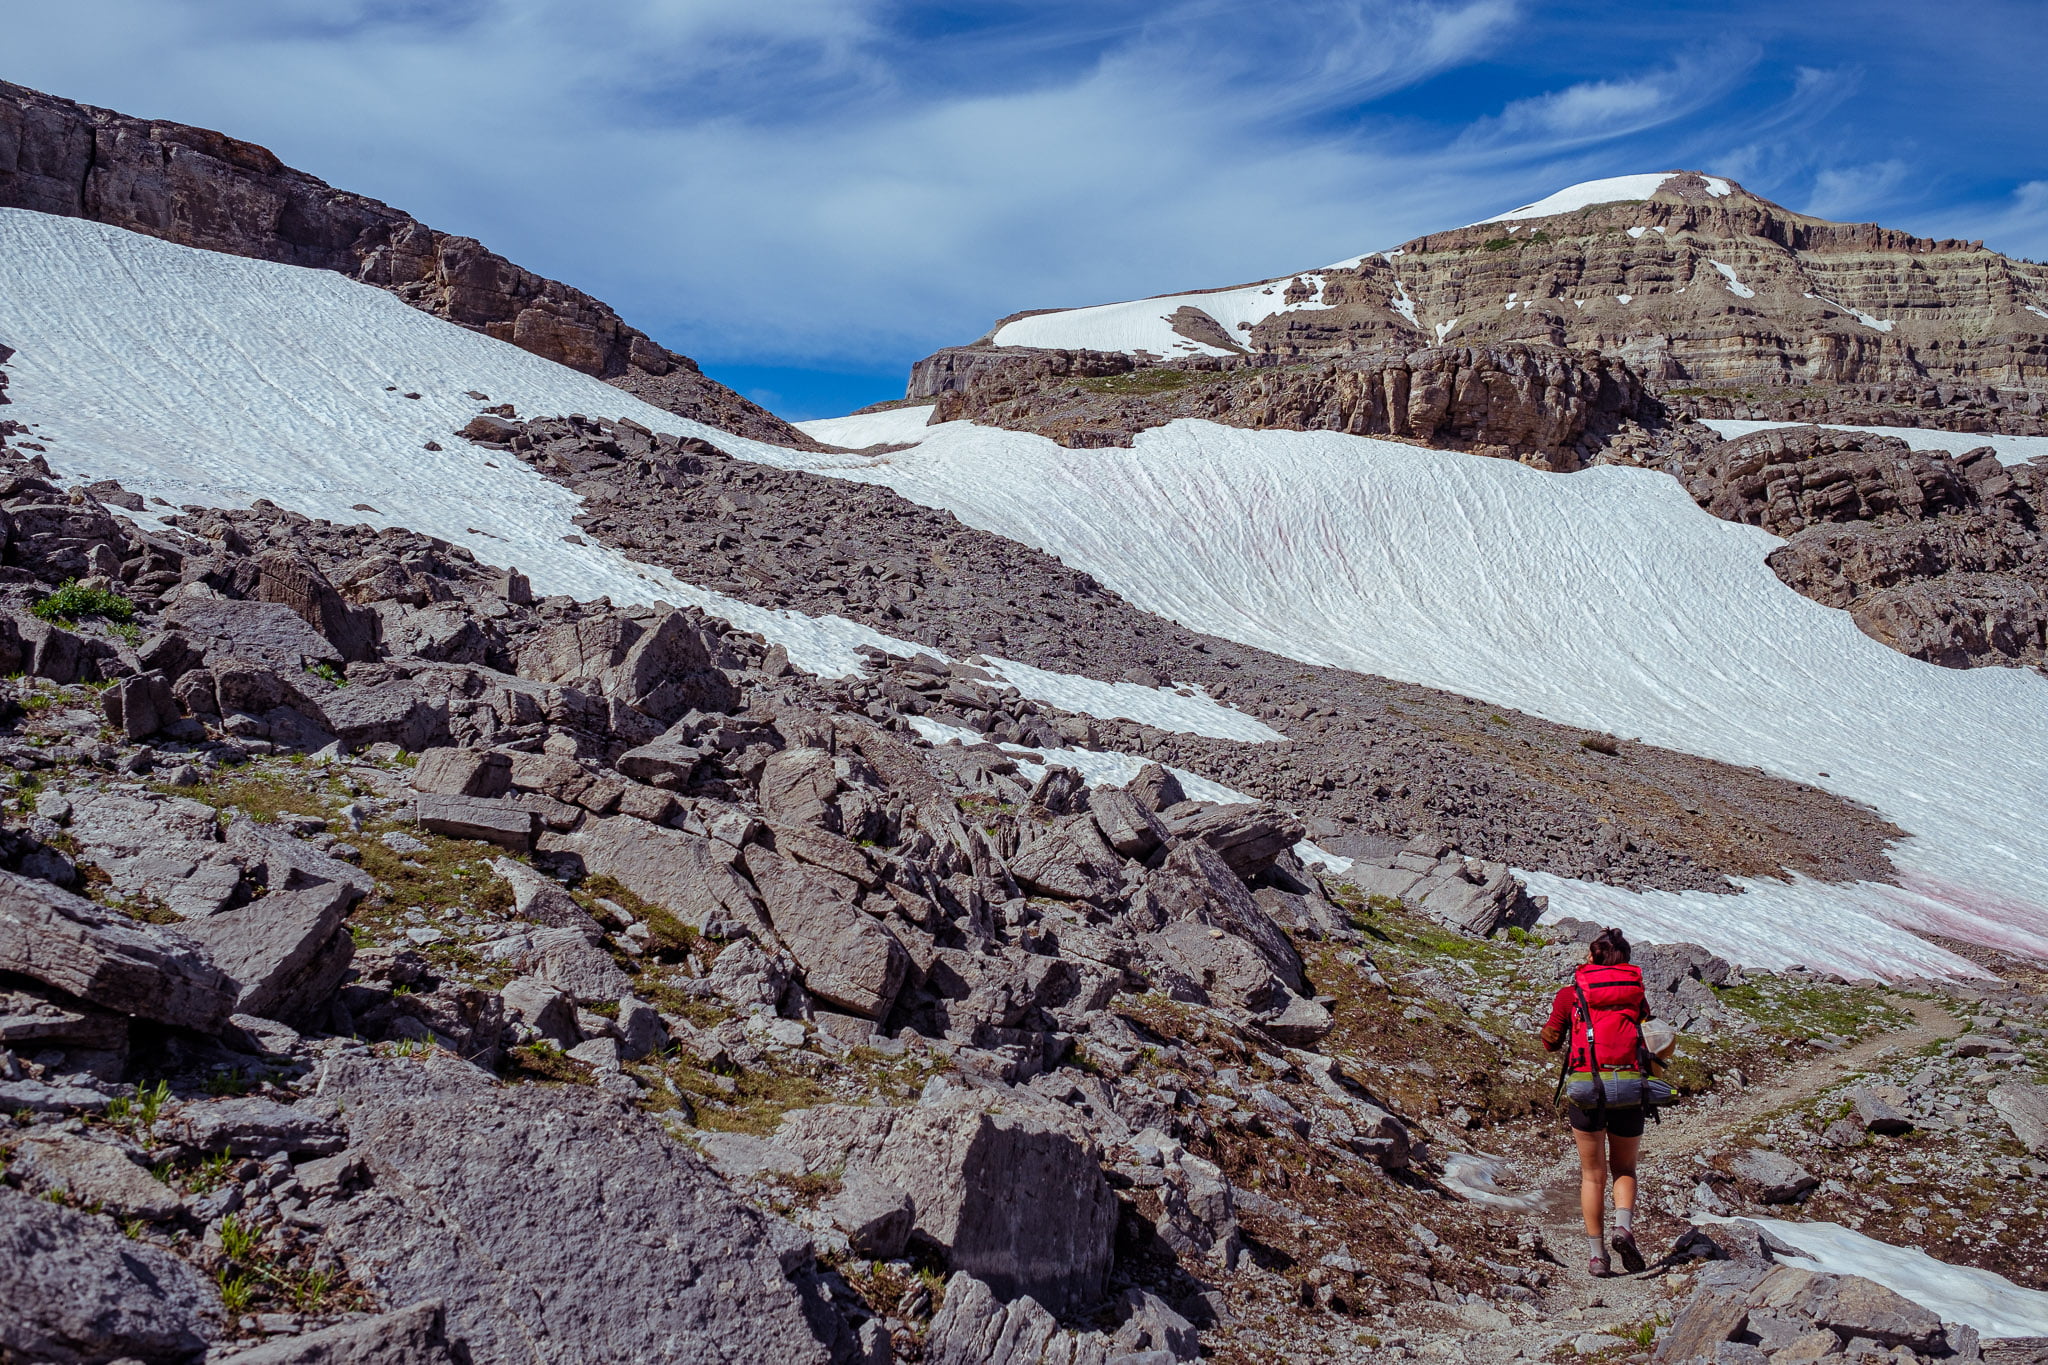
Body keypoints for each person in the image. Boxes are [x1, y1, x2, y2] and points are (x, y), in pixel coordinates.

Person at [1540, 927, 1650, 1277]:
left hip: (1587, 1088)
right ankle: (1623, 1228)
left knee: (1592, 1175)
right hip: (1630, 1087)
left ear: (1592, 957)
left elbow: (1550, 1042)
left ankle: (1598, 1256)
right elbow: (1646, 1030)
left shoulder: (1569, 995)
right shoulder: (1635, 994)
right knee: (1625, 1168)